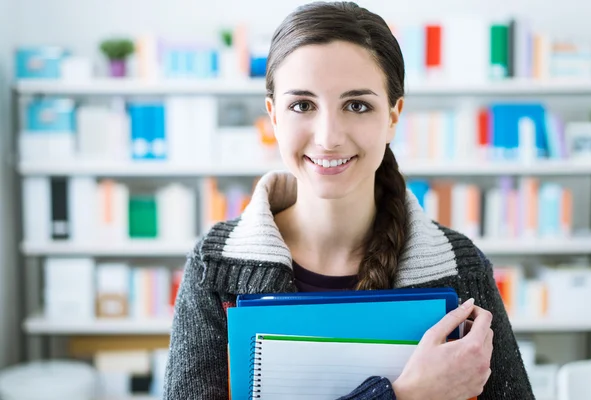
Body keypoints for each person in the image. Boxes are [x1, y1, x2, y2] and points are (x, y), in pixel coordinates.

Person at [163, 2, 535, 399]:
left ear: (393, 116)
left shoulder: (462, 267)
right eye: (302, 105)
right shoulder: (215, 268)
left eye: (357, 105)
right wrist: (405, 395)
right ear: (273, 116)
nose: (328, 137)